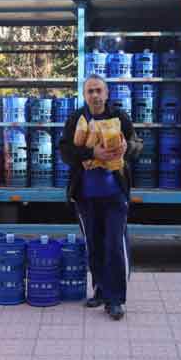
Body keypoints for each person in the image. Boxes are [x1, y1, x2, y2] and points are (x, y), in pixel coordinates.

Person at [60, 74, 142, 320]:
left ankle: (115, 300)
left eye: (98, 91)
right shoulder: (77, 118)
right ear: (84, 95)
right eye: (90, 91)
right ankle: (100, 289)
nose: (95, 95)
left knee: (114, 244)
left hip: (115, 194)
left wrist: (129, 148)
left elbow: (138, 144)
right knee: (94, 245)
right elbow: (64, 151)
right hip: (85, 196)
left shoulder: (119, 117)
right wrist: (89, 152)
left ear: (106, 94)